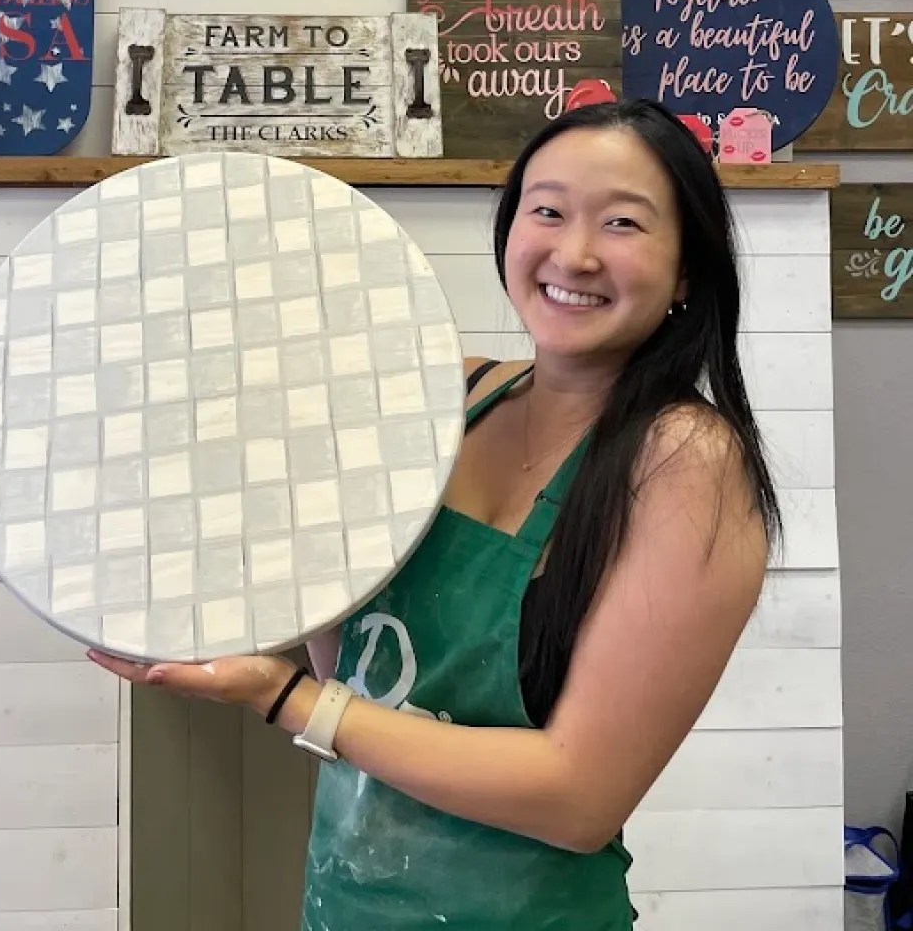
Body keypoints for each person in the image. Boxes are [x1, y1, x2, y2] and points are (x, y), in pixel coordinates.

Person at [89, 98, 781, 929]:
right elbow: (357, 660)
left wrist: (282, 698)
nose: (576, 253)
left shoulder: (683, 462)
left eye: (623, 224)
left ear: (687, 273)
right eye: (548, 210)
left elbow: (578, 796)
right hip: (343, 907)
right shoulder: (445, 395)